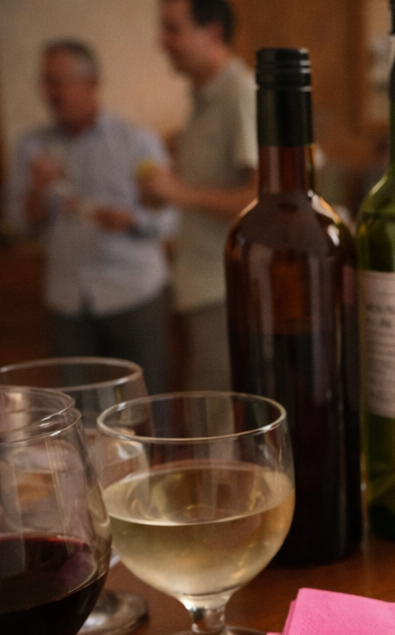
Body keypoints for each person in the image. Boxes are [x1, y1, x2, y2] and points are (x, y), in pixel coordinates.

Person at [4, 40, 177, 393]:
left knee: (145, 405)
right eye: (45, 82)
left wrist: (129, 220)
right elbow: (21, 226)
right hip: (67, 299)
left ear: (90, 83)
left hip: (134, 294)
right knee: (75, 413)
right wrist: (38, 191)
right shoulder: (32, 146)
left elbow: (170, 219)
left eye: (58, 81)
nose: (48, 92)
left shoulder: (135, 141)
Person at [141, 0, 257, 390]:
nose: (162, 42)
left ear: (213, 33)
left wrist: (179, 193)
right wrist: (165, 193)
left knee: (218, 420)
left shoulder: (240, 93)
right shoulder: (203, 99)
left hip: (224, 289)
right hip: (200, 286)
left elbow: (264, 200)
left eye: (173, 29)